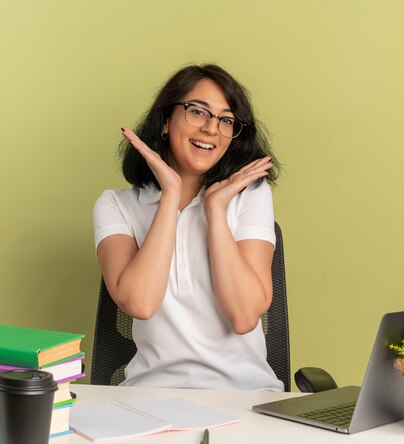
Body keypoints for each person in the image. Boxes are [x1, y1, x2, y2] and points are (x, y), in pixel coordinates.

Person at [93, 64, 282, 391]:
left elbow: (243, 317)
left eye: (226, 120)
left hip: (245, 396)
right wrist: (170, 196)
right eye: (198, 112)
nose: (212, 129)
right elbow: (140, 303)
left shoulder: (250, 196)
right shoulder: (115, 206)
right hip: (148, 396)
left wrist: (215, 209)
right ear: (166, 121)